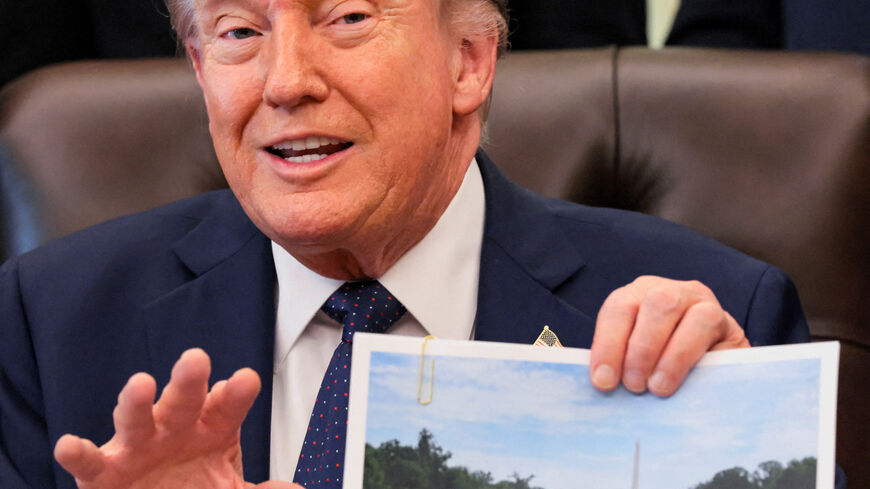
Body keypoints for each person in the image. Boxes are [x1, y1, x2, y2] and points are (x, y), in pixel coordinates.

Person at [0, 0, 823, 488]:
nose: (286, 81)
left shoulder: (709, 324)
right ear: (197, 67)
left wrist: (731, 435)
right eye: (239, 31)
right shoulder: (49, 322)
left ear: (469, 60)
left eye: (348, 18)